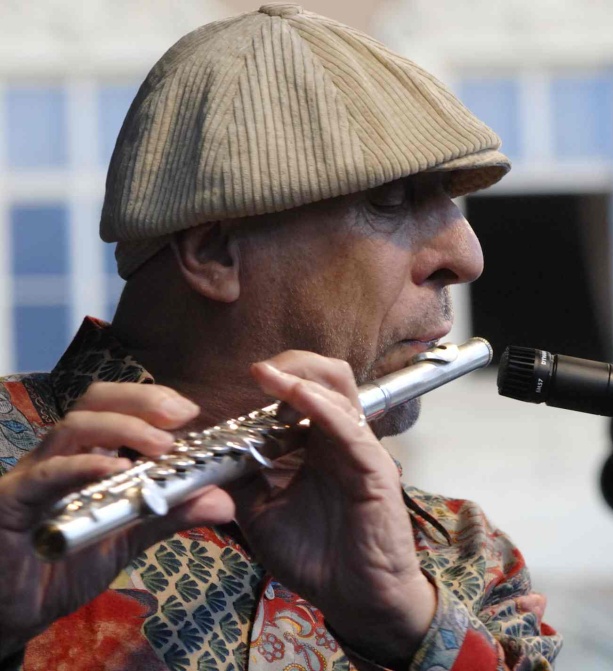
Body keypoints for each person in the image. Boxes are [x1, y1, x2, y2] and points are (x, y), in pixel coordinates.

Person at [0, 5, 562, 670]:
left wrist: (410, 629)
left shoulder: (464, 553)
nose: (466, 257)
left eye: (449, 201)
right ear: (215, 252)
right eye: (390, 200)